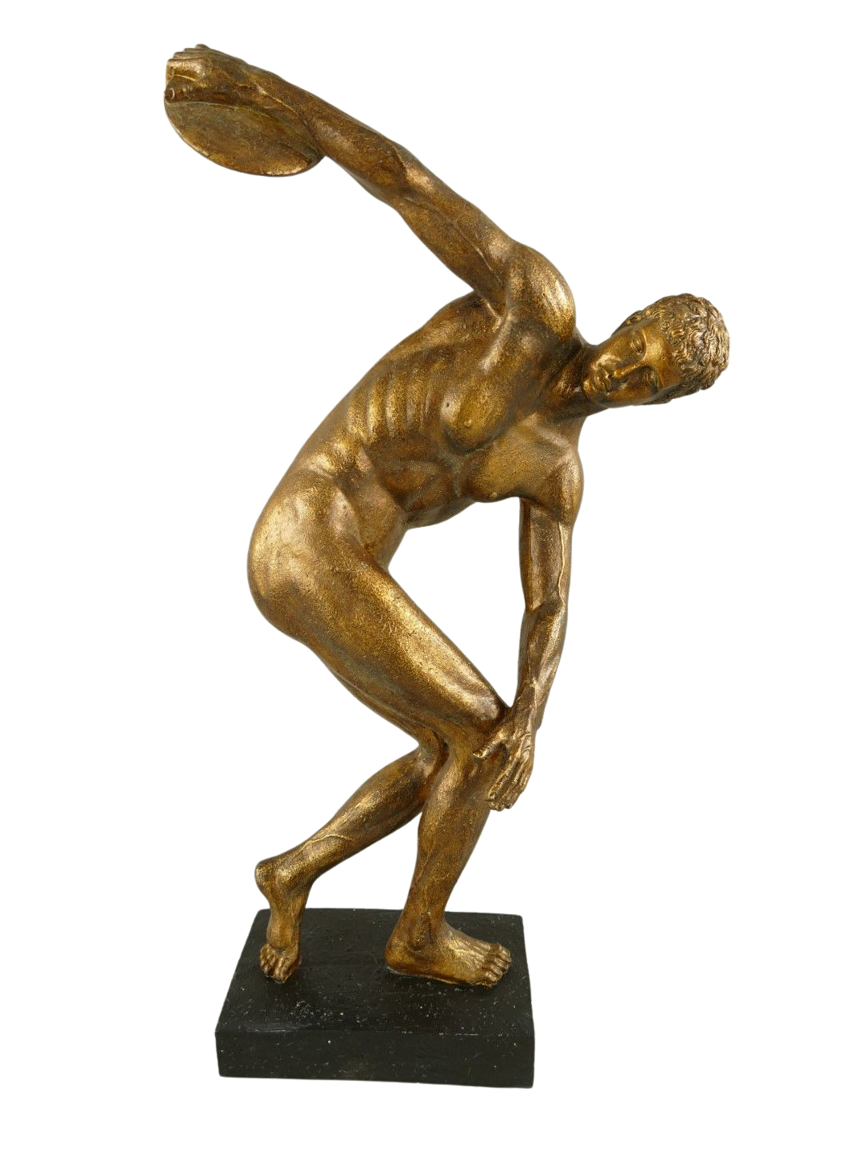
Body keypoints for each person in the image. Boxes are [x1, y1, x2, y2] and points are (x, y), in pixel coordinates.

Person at [167, 47, 729, 987]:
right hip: (305, 533)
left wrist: (531, 720)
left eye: (649, 382)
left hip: (349, 563)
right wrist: (273, 95)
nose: (623, 372)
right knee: (471, 733)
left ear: (659, 404)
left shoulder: (557, 473)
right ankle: (418, 936)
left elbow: (547, 605)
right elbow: (407, 183)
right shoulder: (534, 308)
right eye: (636, 346)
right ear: (630, 319)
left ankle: (292, 872)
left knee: (462, 747)